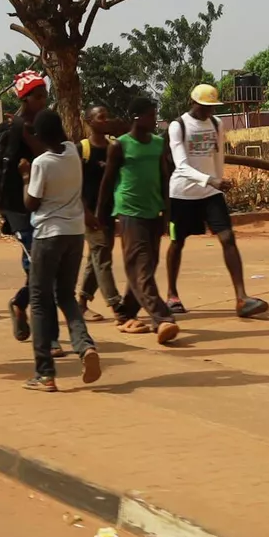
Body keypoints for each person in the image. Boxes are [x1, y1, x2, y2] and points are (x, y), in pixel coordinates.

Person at [166, 84, 269, 319]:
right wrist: (210, 180)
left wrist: (218, 183)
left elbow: (217, 157)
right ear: (193, 103)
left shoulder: (216, 124)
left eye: (212, 107)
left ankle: (242, 298)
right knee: (177, 242)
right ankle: (172, 295)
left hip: (211, 194)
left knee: (228, 238)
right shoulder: (178, 126)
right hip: (182, 194)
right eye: (205, 107)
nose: (209, 111)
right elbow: (181, 166)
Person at [23, 109, 100, 391]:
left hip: (48, 235)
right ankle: (85, 345)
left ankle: (45, 372)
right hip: (74, 233)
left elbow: (31, 202)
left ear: (40, 136)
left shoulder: (41, 163)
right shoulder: (72, 152)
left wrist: (24, 177)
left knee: (40, 300)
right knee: (65, 295)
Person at [0, 70, 50, 344]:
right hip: (18, 208)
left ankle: (20, 303)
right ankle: (47, 335)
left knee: (43, 266)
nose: (44, 101)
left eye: (45, 95)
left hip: (45, 206)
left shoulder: (46, 126)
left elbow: (55, 158)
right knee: (38, 265)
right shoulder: (7, 130)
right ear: (25, 99)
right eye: (39, 96)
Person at [97, 98, 180, 345]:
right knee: (141, 267)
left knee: (147, 265)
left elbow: (165, 178)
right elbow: (107, 182)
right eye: (150, 115)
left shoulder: (157, 144)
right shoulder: (120, 145)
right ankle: (162, 318)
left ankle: (125, 313)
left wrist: (167, 211)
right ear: (136, 117)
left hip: (153, 211)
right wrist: (101, 216)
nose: (154, 119)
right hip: (129, 212)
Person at [77, 105, 121, 322]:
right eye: (101, 117)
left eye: (107, 117)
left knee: (96, 258)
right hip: (89, 213)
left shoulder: (114, 146)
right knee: (102, 257)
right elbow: (74, 184)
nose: (106, 121)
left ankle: (82, 303)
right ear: (89, 121)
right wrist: (85, 212)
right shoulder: (82, 149)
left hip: (109, 212)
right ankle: (117, 307)